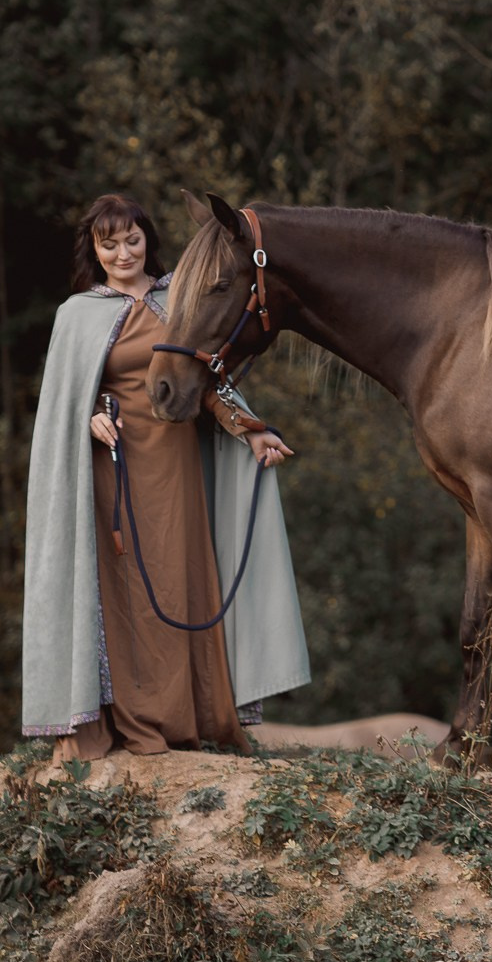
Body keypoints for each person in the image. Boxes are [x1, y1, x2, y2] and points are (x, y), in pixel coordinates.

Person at [20, 193, 309, 760]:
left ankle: (189, 717)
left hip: (179, 467)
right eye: (109, 244)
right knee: (124, 590)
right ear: (94, 250)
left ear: (147, 239)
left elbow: (210, 379)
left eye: (132, 240)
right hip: (115, 471)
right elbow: (63, 404)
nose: (123, 253)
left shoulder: (180, 295)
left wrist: (250, 430)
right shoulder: (76, 315)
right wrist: (89, 417)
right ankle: (130, 720)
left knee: (182, 580)